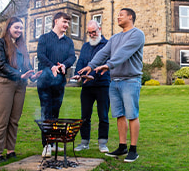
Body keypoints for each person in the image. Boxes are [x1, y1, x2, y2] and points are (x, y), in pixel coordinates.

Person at [78, 8, 145, 163]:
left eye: (121, 15)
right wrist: (91, 65)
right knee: (119, 115)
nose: (118, 17)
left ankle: (133, 149)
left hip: (130, 80)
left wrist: (109, 65)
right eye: (118, 15)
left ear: (130, 16)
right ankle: (122, 146)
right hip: (114, 82)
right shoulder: (114, 38)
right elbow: (102, 52)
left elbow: (124, 52)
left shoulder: (137, 34)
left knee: (132, 115)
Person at [0, 17, 42, 165]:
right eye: (16, 28)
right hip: (4, 83)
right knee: (2, 119)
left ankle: (10, 150)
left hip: (20, 85)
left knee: (14, 119)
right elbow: (1, 65)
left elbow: (26, 66)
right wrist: (19, 74)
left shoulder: (21, 46)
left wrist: (32, 75)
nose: (19, 31)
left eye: (21, 28)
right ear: (8, 28)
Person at [37, 12, 76, 158]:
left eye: (67, 23)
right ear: (56, 21)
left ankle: (53, 143)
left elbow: (72, 56)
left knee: (55, 113)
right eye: (64, 22)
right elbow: (41, 55)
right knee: (46, 112)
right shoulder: (44, 38)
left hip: (59, 81)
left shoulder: (68, 42)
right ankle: (46, 144)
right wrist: (51, 66)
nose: (66, 25)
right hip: (45, 81)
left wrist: (64, 65)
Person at [71, 20, 110, 153]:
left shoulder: (107, 45)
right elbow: (81, 62)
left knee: (103, 115)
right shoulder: (85, 46)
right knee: (85, 115)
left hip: (102, 85)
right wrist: (78, 75)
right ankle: (84, 142)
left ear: (99, 29)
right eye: (89, 33)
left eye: (94, 31)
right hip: (87, 86)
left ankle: (103, 143)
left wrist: (93, 74)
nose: (92, 34)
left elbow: (106, 63)